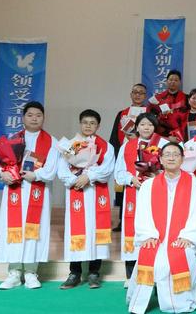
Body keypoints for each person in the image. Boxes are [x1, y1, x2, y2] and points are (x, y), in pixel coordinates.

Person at [126, 142, 196, 314]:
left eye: (176, 154)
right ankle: (139, 302)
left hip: (184, 237)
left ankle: (179, 302)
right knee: (149, 252)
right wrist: (148, 235)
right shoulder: (149, 185)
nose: (171, 157)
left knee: (182, 253)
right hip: (155, 236)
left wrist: (188, 236)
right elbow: (143, 214)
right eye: (167, 155)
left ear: (182, 159)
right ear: (161, 160)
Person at [0, 101, 59, 290]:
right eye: (30, 115)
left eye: (38, 115)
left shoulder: (52, 142)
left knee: (34, 232)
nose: (34, 118)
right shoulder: (10, 140)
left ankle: (30, 272)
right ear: (23, 118)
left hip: (38, 192)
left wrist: (36, 175)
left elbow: (52, 171)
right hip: (15, 192)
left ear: (43, 118)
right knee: (14, 230)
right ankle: (13, 273)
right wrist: (3, 175)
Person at [58, 110, 115, 289]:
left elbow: (107, 169)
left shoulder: (105, 146)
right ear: (80, 124)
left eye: (92, 123)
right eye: (85, 122)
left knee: (95, 231)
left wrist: (88, 176)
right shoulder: (70, 145)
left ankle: (94, 272)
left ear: (98, 126)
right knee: (76, 230)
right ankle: (74, 273)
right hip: (77, 192)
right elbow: (62, 169)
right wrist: (75, 180)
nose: (88, 126)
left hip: (96, 191)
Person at [114, 113, 163, 284]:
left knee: (155, 228)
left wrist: (156, 177)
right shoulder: (127, 146)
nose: (146, 128)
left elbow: (172, 168)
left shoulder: (163, 144)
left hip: (157, 193)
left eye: (150, 124)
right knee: (132, 229)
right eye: (142, 124)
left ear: (155, 126)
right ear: (137, 127)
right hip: (133, 192)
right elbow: (118, 171)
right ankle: (130, 275)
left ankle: (155, 272)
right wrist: (131, 179)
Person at [109, 83, 147, 232]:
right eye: (135, 92)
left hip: (145, 152)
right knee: (124, 187)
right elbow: (114, 135)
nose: (138, 95)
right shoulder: (122, 113)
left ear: (145, 96)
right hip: (127, 152)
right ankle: (122, 218)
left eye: (141, 93)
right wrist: (118, 152)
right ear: (131, 94)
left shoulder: (149, 112)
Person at [148, 70, 188, 141]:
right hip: (162, 135)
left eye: (176, 80)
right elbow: (151, 118)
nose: (173, 82)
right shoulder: (157, 99)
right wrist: (160, 115)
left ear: (180, 82)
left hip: (181, 134)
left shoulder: (186, 98)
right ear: (166, 81)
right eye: (170, 79)